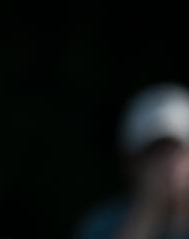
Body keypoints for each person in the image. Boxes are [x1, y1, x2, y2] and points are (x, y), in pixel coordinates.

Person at [74, 82, 189, 239]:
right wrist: (146, 214)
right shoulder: (101, 224)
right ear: (132, 163)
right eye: (155, 152)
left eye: (178, 149)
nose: (169, 163)